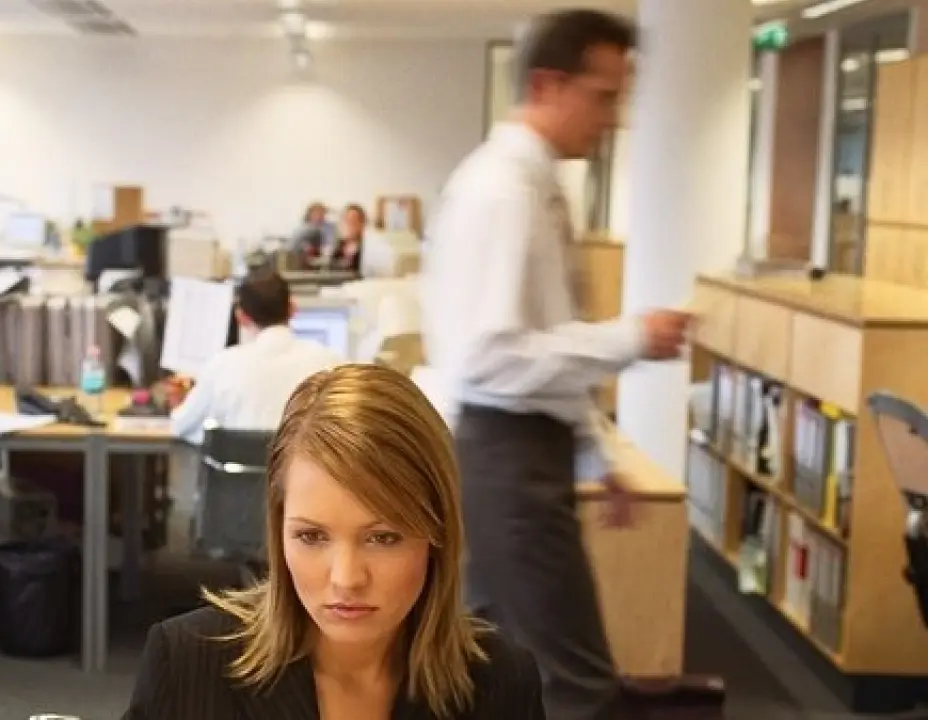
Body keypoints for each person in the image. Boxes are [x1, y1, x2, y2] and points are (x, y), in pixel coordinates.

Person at [420, 10, 692, 720]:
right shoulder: (503, 191)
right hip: (506, 455)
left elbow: (543, 338)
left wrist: (595, 452)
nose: (614, 119)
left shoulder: (534, 187)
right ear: (547, 85)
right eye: (603, 97)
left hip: (521, 452)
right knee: (575, 685)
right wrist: (630, 338)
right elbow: (487, 357)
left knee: (501, 671)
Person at [124, 364, 546, 719]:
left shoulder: (502, 686)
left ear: (438, 533)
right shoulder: (186, 665)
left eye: (382, 538)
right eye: (311, 536)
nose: (346, 579)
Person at [167, 271, 341, 446]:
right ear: (292, 308)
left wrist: (179, 404)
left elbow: (180, 426)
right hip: (300, 462)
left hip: (234, 463)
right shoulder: (331, 364)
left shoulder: (221, 365)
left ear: (240, 317)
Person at [331, 203, 366, 273]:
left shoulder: (366, 247)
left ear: (361, 223)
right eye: (346, 220)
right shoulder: (339, 246)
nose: (349, 224)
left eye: (353, 220)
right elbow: (331, 268)